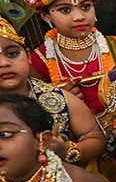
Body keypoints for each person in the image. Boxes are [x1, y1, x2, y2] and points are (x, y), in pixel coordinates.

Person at [0, 17, 106, 164]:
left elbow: (95, 139)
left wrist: (68, 150)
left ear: (29, 56)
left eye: (12, 54)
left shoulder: (62, 99)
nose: (4, 63)